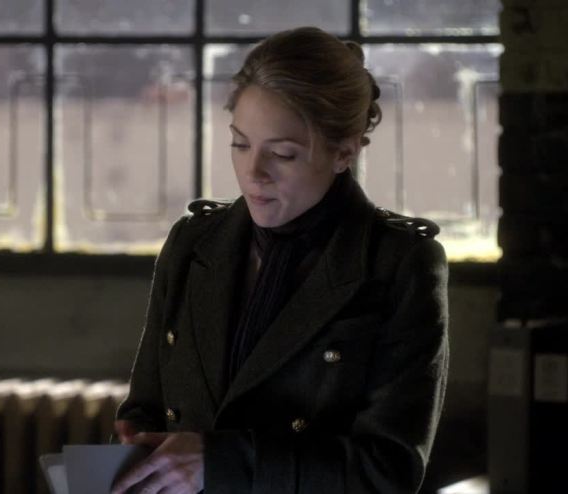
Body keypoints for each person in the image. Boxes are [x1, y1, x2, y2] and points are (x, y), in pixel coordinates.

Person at [111, 26, 449, 494]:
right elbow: (147, 406)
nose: (253, 173)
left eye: (283, 154)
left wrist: (220, 462)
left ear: (344, 152)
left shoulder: (398, 263)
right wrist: (136, 445)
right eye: (240, 144)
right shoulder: (192, 242)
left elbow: (387, 471)